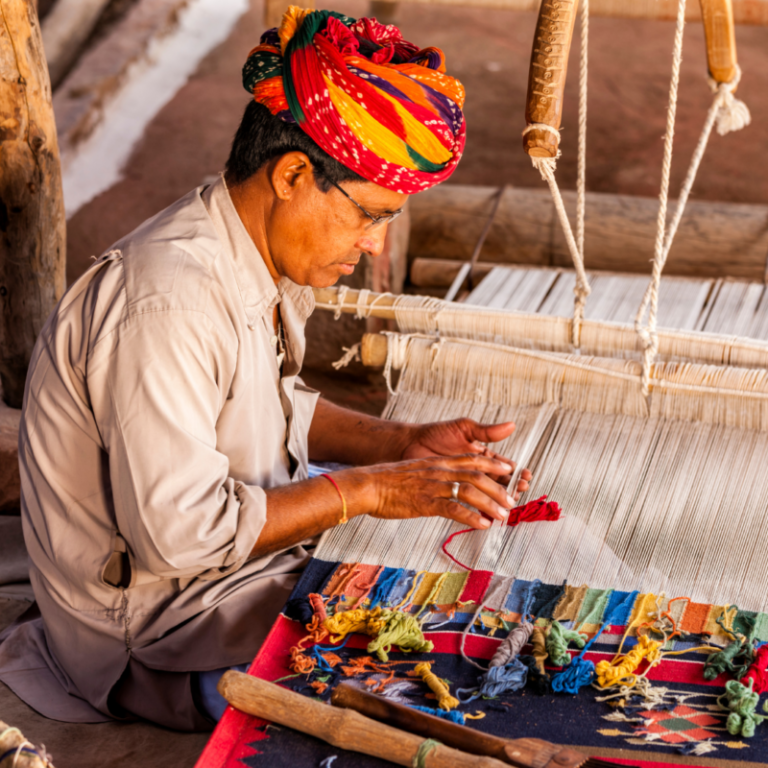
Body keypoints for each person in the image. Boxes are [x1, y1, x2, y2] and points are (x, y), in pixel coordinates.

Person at [0, 8, 531, 731]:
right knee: (449, 684)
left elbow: (269, 405)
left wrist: (398, 445)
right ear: (291, 174)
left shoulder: (242, 252)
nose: (375, 245)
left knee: (499, 596)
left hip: (227, 579)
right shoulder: (166, 303)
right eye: (369, 215)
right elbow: (181, 537)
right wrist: (369, 490)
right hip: (159, 633)